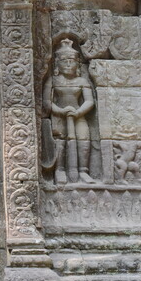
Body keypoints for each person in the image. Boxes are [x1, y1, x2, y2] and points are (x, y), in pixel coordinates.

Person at [42, 38, 96, 184]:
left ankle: (83, 171)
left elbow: (89, 101)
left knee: (84, 141)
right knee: (60, 142)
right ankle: (60, 170)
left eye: (71, 61)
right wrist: (60, 111)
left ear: (77, 64)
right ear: (56, 64)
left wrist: (78, 112)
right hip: (59, 115)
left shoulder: (82, 81)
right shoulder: (53, 81)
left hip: (78, 115)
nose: (68, 64)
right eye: (64, 61)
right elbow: (47, 102)